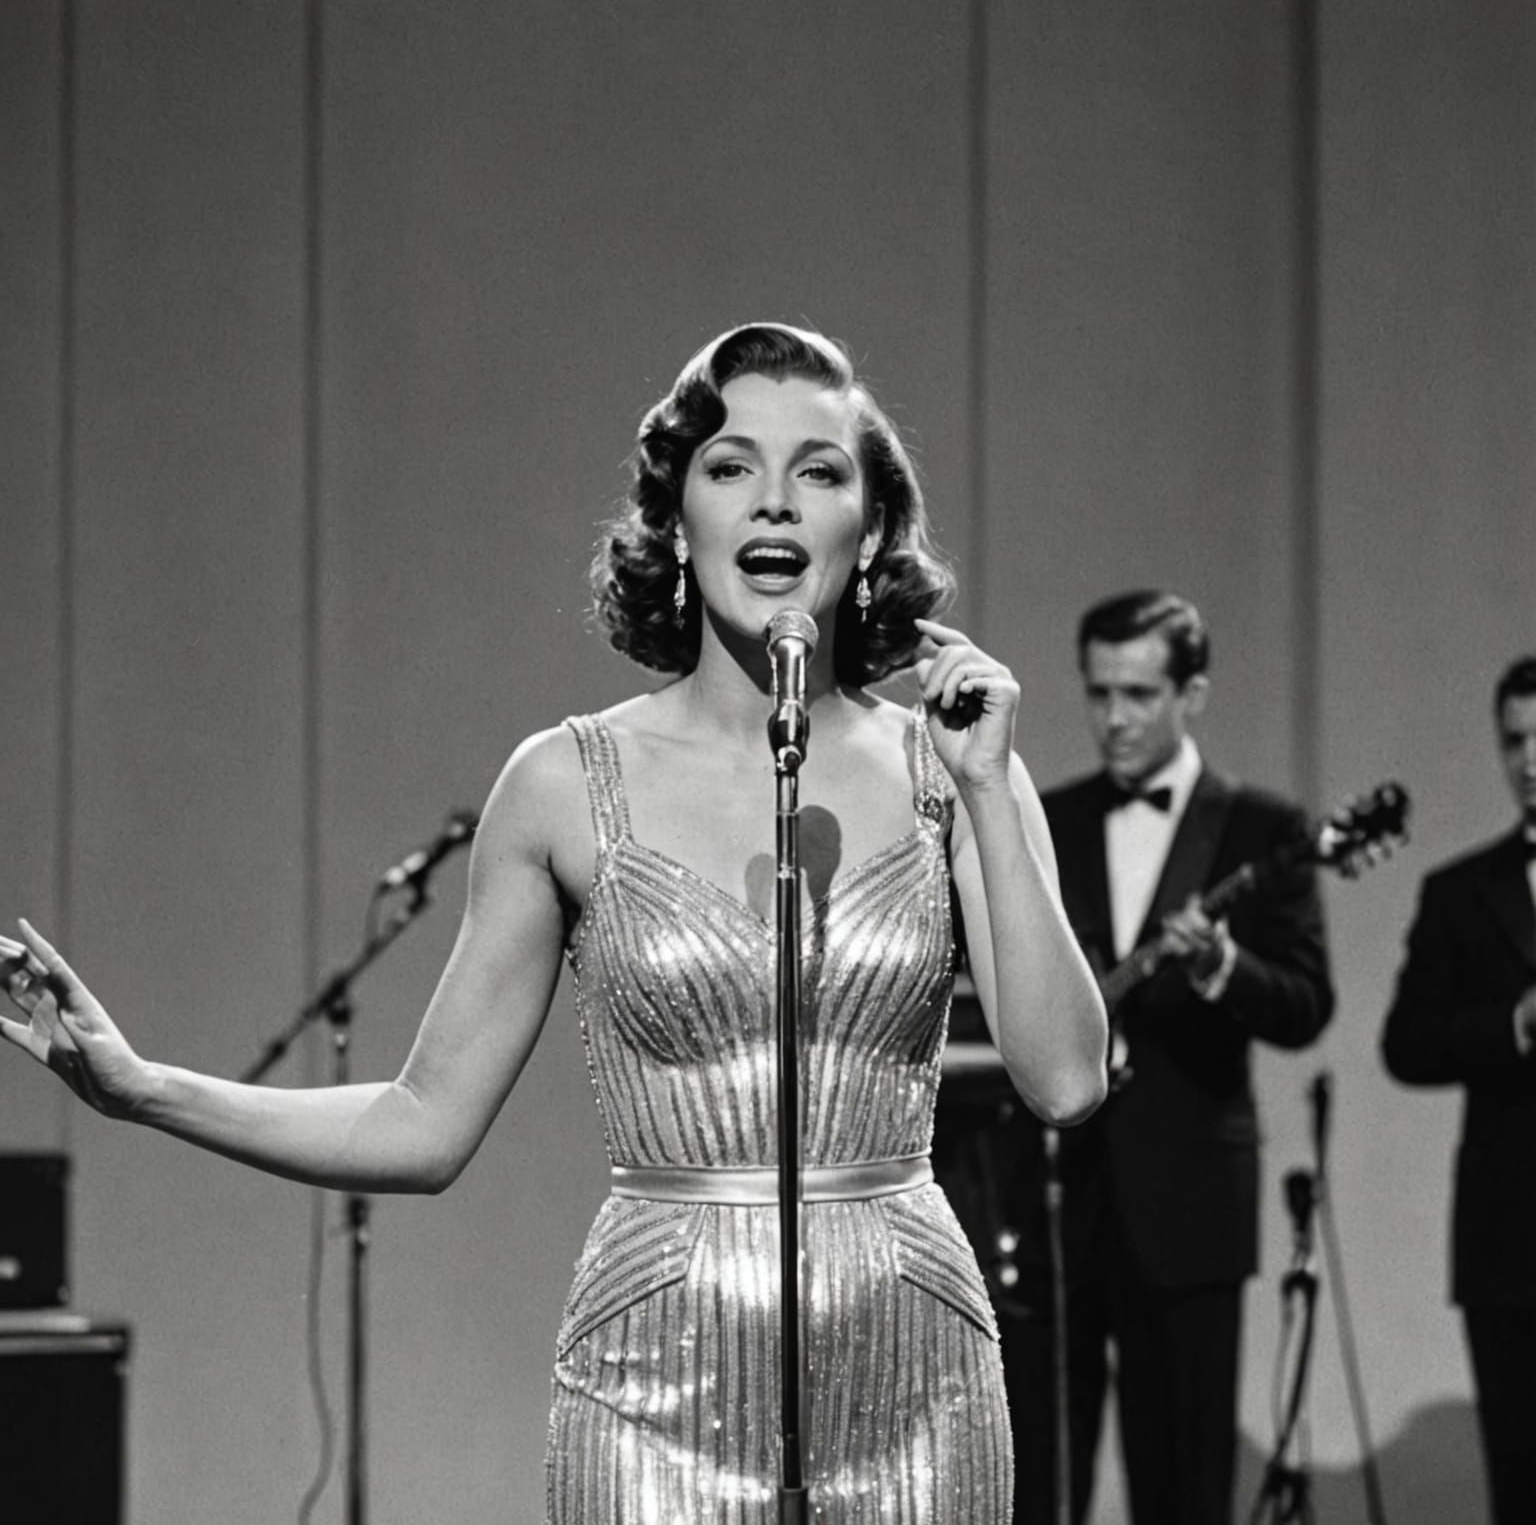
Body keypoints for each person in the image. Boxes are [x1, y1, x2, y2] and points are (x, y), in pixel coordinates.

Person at [0, 322, 1108, 1523]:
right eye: (733, 467)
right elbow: (422, 1126)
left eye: (821, 471)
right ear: (677, 518)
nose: (776, 503)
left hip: (915, 1379)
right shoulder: (564, 784)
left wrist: (992, 790)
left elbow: (1065, 1080)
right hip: (658, 1385)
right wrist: (144, 1088)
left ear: (873, 525)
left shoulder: (953, 769)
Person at [996, 589, 1334, 1525]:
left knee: (1184, 1482)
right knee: (1036, 1479)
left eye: (1139, 694)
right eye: (1099, 693)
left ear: (1194, 692)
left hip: (1187, 1205)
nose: (1114, 719)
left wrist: (1225, 964)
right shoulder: (1046, 819)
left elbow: (1308, 1004)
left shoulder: (1263, 829)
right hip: (1055, 1192)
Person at [1380, 654, 1536, 1525]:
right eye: (1516, 740)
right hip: (1511, 1237)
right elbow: (1406, 1044)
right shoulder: (1460, 891)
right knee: (1518, 1477)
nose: (1532, 760)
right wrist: (1513, 1025)